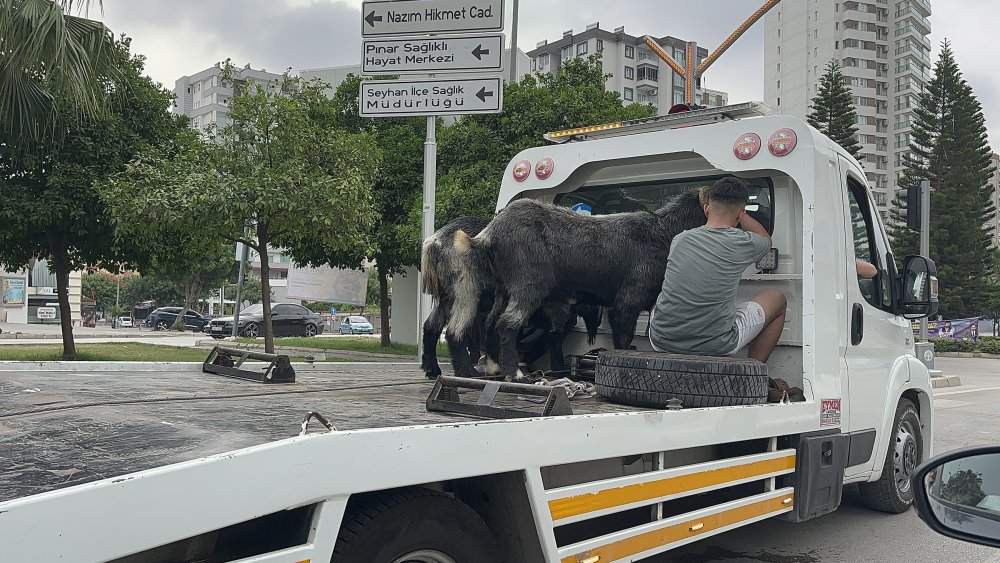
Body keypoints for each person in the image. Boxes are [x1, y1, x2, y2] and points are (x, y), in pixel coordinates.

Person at [649, 176, 787, 363]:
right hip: (715, 345)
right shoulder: (743, 242)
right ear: (740, 215)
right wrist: (743, 215)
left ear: (707, 209)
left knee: (660, 301)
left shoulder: (680, 239)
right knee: (778, 299)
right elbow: (765, 238)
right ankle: (752, 372)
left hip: (660, 340)